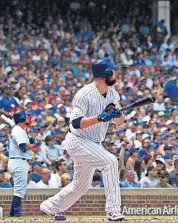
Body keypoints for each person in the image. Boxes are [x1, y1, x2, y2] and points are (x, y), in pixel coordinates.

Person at [40, 57, 126, 221]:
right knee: (110, 162)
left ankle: (50, 206)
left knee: (81, 185)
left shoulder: (113, 94)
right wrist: (99, 118)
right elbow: (76, 122)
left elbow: (120, 121)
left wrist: (118, 114)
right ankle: (113, 210)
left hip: (94, 143)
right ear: (105, 74)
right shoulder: (84, 94)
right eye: (112, 71)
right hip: (77, 140)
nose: (115, 73)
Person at [7, 110, 39, 217]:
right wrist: (35, 145)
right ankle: (16, 215)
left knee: (19, 189)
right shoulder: (18, 130)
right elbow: (23, 147)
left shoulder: (20, 130)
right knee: (19, 190)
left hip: (19, 161)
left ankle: (12, 214)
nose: (27, 119)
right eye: (25, 117)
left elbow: (28, 142)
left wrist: (32, 140)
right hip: (18, 161)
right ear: (21, 119)